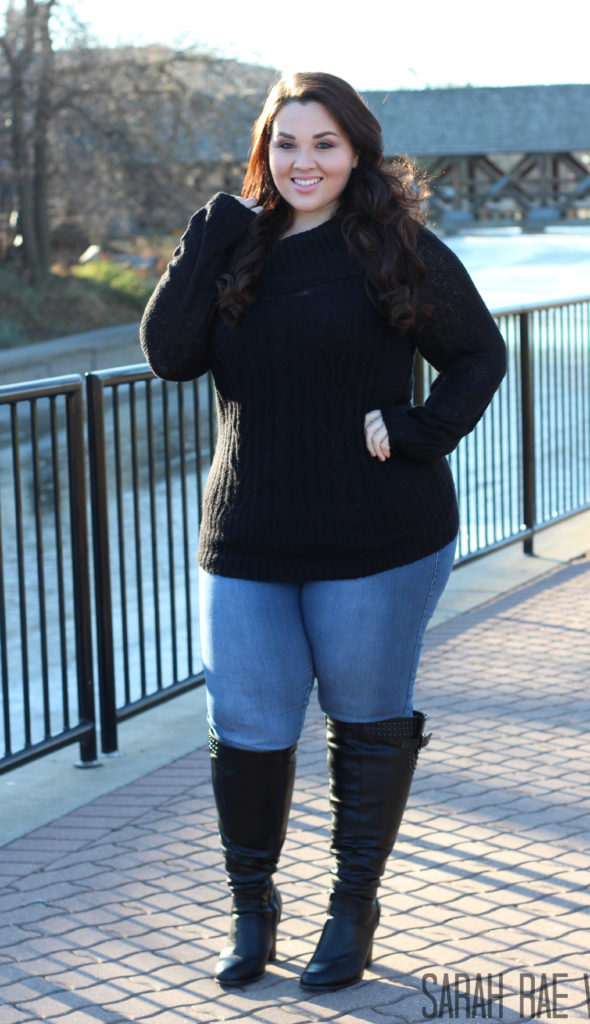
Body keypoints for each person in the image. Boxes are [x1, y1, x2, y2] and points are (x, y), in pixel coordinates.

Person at [140, 70, 506, 992]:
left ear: (356, 152)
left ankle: (352, 908)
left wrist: (419, 429)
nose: (303, 162)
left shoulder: (395, 248)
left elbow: (477, 354)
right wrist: (211, 230)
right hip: (248, 533)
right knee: (247, 727)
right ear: (264, 151)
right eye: (286, 143)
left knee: (364, 717)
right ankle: (251, 906)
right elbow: (170, 355)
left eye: (324, 144)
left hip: (377, 532)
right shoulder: (236, 246)